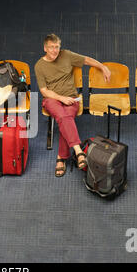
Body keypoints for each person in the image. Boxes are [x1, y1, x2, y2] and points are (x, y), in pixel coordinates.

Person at [34, 34, 111, 177]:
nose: (54, 51)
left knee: (65, 117)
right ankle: (78, 151)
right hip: (53, 99)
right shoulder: (39, 66)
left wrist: (102, 66)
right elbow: (44, 91)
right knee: (64, 116)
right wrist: (61, 98)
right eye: (51, 47)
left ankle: (61, 158)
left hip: (71, 98)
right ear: (45, 48)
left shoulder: (67, 55)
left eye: (56, 47)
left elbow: (86, 60)